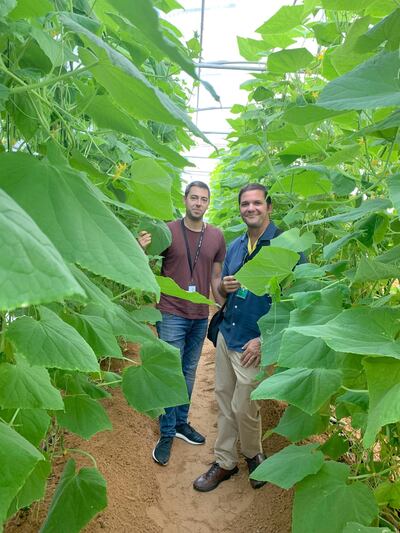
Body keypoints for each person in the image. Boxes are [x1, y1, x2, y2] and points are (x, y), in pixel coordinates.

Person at [193, 183, 292, 492]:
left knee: (244, 406)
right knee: (223, 399)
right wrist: (224, 286)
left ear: (269, 207)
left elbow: (295, 299)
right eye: (245, 204)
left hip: (254, 342)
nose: (250, 208)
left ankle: (253, 454)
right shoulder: (236, 246)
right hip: (228, 332)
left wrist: (266, 339)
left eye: (256, 203)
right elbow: (221, 289)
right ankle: (225, 462)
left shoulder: (285, 247)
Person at [139, 181, 226, 467]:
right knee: (170, 372)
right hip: (171, 312)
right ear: (185, 200)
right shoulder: (167, 231)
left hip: (200, 314)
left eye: (203, 199)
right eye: (194, 198)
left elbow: (215, 277)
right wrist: (140, 249)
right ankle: (166, 433)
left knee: (188, 371)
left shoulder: (216, 236)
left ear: (208, 204)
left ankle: (180, 423)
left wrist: (223, 307)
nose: (198, 203)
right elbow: (146, 266)